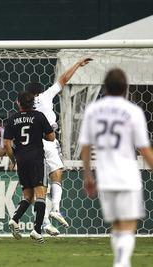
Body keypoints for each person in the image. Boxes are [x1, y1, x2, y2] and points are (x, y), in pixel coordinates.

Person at [79, 68, 153, 267]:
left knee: (117, 224)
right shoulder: (133, 111)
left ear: (105, 87)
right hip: (128, 175)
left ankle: (120, 261)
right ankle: (121, 262)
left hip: (105, 176)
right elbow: (144, 149)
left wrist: (88, 176)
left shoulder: (93, 111)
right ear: (125, 88)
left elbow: (85, 147)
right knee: (128, 223)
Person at [26, 57, 92, 229]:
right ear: (39, 91)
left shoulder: (24, 105)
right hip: (49, 141)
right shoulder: (45, 96)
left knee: (37, 186)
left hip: (32, 146)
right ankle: (55, 208)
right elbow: (63, 79)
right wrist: (77, 64)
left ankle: (46, 221)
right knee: (57, 174)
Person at [4, 91, 55, 244]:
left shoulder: (12, 119)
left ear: (18, 103)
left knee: (28, 195)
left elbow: (6, 144)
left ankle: (14, 219)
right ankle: (37, 230)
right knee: (40, 195)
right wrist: (41, 134)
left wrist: (13, 159)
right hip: (36, 158)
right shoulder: (39, 116)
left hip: (21, 159)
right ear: (33, 103)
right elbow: (51, 137)